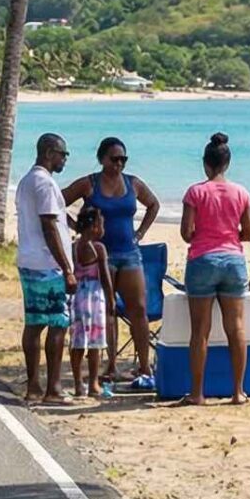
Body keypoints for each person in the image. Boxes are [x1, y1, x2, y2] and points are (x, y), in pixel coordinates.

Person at [64, 137, 161, 384]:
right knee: (107, 311)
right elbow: (57, 201)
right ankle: (111, 366)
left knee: (138, 309)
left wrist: (140, 234)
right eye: (114, 159)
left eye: (123, 159)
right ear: (102, 159)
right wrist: (79, 229)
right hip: (100, 256)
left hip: (129, 253)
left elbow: (153, 204)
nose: (119, 164)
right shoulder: (89, 183)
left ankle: (144, 366)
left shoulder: (133, 183)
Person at [171, 133, 250, 407]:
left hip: (203, 260)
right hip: (233, 261)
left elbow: (186, 233)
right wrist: (228, 235)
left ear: (205, 164)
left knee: (200, 331)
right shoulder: (241, 193)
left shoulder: (195, 192)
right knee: (236, 328)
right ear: (227, 164)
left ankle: (197, 393)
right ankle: (238, 391)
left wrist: (205, 234)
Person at [13, 133, 74, 406]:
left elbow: (56, 218)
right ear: (49, 153)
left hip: (28, 260)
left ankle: (34, 386)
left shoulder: (27, 181)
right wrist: (68, 269)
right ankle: (54, 388)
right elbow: (49, 226)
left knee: (34, 324)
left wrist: (75, 225)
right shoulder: (46, 184)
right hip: (48, 264)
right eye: (62, 154)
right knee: (58, 324)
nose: (65, 159)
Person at [67, 203, 112, 400]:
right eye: (101, 224)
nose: (103, 229)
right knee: (95, 342)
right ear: (94, 227)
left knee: (77, 341)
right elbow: (105, 278)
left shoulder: (73, 248)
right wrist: (111, 300)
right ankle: (93, 382)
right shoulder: (99, 249)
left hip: (77, 298)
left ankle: (78, 383)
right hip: (95, 299)